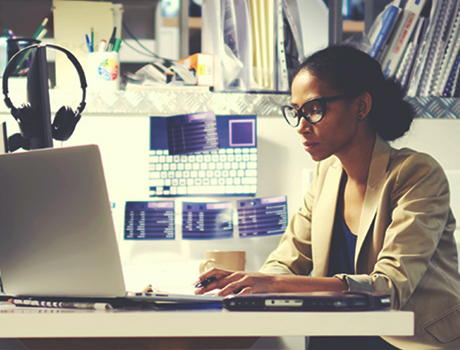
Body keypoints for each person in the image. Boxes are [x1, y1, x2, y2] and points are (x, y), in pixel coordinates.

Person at [195, 45, 460, 349]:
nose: (302, 127)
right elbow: (285, 262)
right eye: (296, 112)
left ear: (361, 107)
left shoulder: (418, 173)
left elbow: (389, 287)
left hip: (407, 341)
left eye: (314, 109)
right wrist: (248, 283)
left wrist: (274, 284)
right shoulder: (326, 174)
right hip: (332, 336)